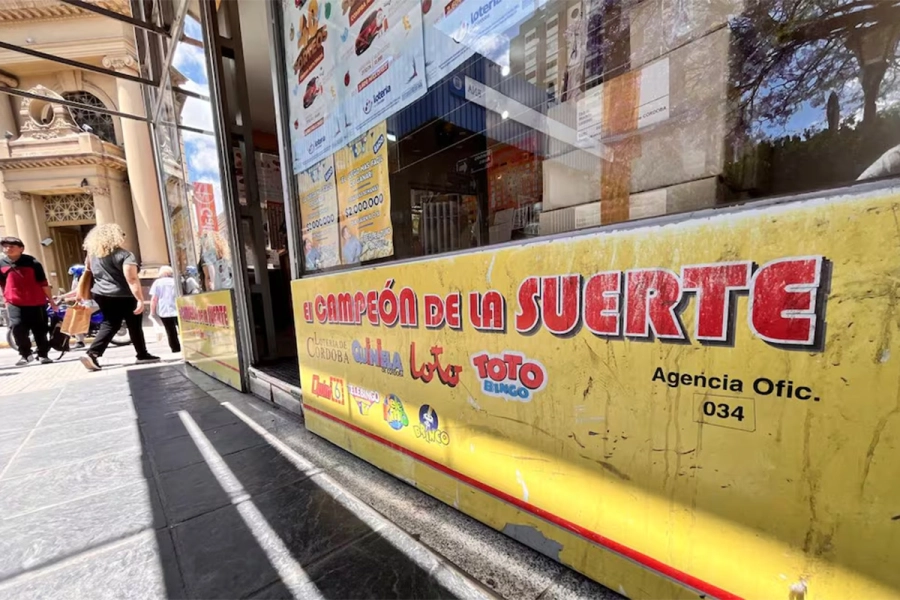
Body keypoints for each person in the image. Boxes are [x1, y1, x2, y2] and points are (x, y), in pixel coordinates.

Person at [78, 224, 159, 371]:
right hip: (124, 294)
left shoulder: (93, 255)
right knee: (133, 323)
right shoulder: (125, 255)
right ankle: (94, 353)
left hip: (101, 293)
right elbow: (132, 279)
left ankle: (140, 353)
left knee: (111, 322)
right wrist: (140, 299)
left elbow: (88, 271)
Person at [0, 236, 56, 365]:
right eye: (5, 246)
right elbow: (3, 284)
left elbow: (43, 283)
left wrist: (51, 300)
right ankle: (25, 354)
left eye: (12, 246)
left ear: (21, 249)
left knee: (40, 329)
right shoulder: (1, 264)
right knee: (17, 328)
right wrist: (6, 299)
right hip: (14, 302)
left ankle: (43, 354)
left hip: (36, 301)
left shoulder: (33, 262)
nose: (8, 248)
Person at [61, 264, 99, 349]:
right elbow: (76, 291)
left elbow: (77, 293)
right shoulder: (82, 279)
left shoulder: (87, 279)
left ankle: (79, 341)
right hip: (88, 302)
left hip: (92, 303)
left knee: (76, 316)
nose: (74, 276)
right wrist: (63, 297)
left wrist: (64, 297)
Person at [150, 266, 180, 353]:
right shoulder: (175, 281)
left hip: (164, 311)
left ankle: (175, 348)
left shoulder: (157, 283)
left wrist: (152, 312)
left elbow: (154, 299)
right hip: (177, 308)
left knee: (170, 331)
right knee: (182, 329)